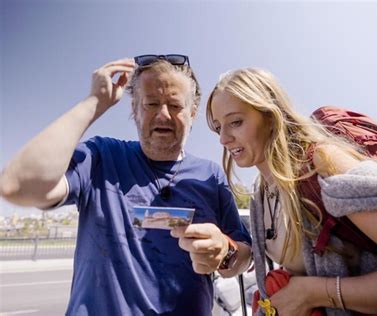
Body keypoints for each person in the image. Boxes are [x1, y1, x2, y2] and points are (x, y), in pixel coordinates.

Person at [206, 68, 377, 316]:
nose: (222, 138)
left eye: (236, 122)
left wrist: (314, 293)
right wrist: (224, 252)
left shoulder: (325, 164)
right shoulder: (262, 192)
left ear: (270, 115)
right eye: (218, 127)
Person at [0, 55, 252, 315]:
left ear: (192, 113)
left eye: (175, 105)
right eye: (151, 103)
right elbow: (17, 185)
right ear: (134, 110)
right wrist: (94, 103)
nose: (163, 114)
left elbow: (244, 257)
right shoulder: (101, 157)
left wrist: (225, 251)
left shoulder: (210, 175)